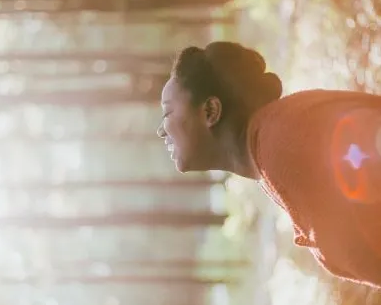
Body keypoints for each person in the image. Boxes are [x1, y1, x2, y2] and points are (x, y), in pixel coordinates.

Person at [157, 41, 381, 288]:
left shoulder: (283, 138)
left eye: (168, 113)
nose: (160, 131)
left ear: (210, 110)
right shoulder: (271, 155)